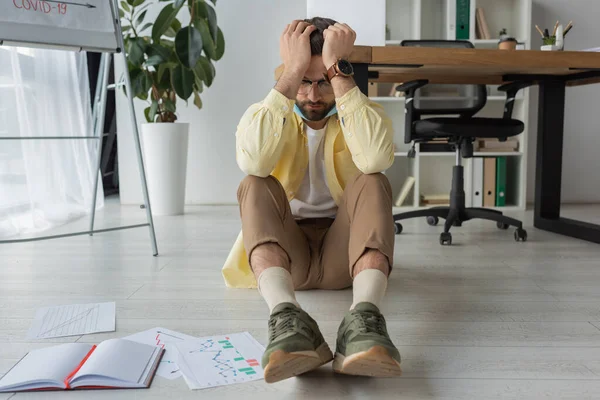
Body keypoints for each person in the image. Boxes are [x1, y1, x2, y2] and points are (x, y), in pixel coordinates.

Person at [223, 16, 401, 383]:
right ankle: (287, 318)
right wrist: (292, 72)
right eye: (305, 81)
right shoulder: (270, 113)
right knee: (254, 183)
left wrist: (340, 71)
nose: (314, 95)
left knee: (373, 179)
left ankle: (364, 321)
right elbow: (252, 161)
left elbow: (374, 159)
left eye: (324, 82)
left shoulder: (361, 113)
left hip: (344, 256)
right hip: (288, 259)